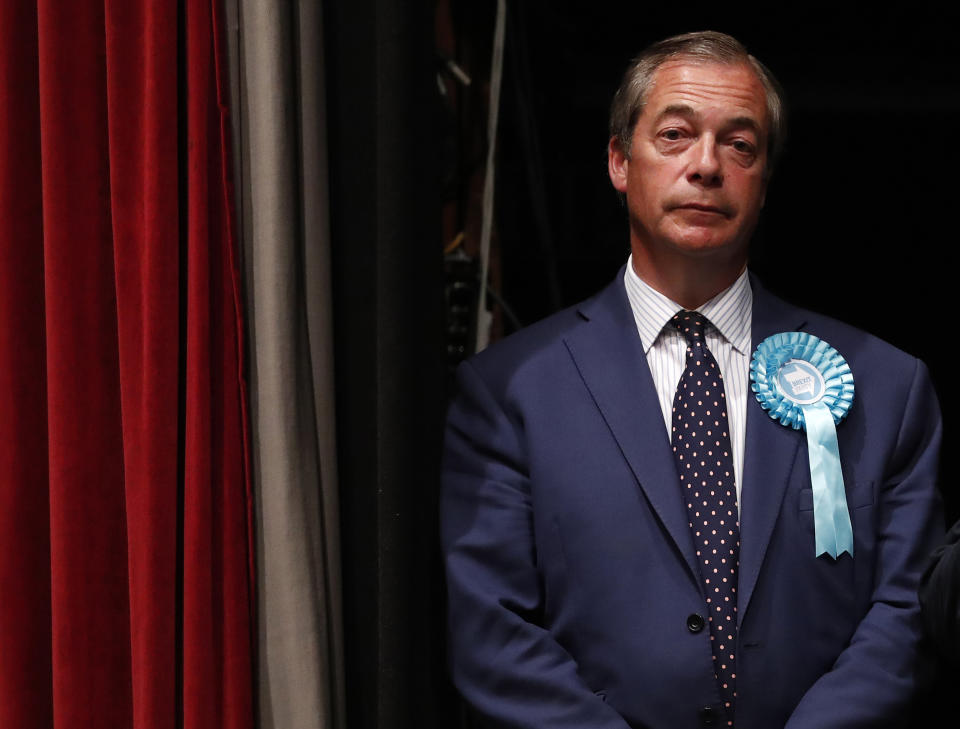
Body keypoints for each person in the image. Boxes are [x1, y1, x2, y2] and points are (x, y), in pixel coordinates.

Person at [441, 31, 943, 729]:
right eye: (676, 134)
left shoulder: (888, 387)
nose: (707, 165)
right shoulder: (509, 392)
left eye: (740, 145)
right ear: (619, 161)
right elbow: (493, 632)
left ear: (764, 180)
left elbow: (906, 615)